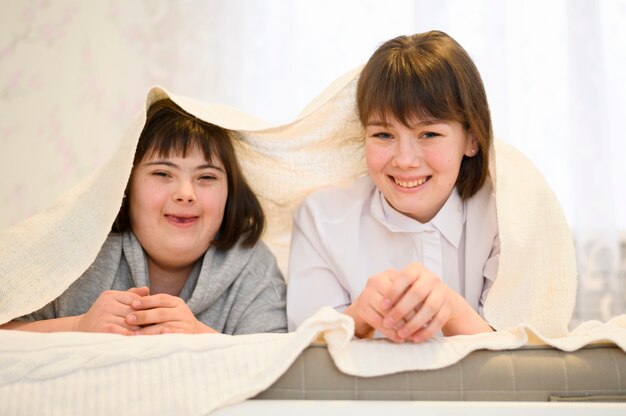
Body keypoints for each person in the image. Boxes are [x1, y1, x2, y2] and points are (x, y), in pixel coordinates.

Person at [1, 98, 287, 335]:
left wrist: (201, 337)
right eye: (163, 173)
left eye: (207, 177)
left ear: (230, 193)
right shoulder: (78, 251)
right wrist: (78, 325)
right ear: (126, 185)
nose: (186, 193)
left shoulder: (252, 265)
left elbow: (281, 360)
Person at [287, 30, 498, 343]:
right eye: (383, 135)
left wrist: (452, 310)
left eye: (429, 134)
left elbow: (523, 364)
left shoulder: (503, 218)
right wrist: (358, 319)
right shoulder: (320, 219)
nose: (405, 160)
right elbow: (303, 364)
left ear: (472, 139)